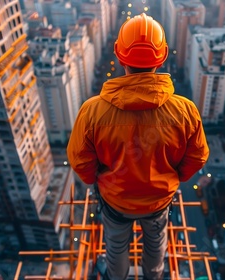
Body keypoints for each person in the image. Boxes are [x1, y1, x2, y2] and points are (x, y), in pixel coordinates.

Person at [67, 13, 209, 280]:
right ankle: (153, 276)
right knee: (155, 244)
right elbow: (198, 157)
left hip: (116, 200)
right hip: (158, 200)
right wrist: (173, 178)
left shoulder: (93, 111)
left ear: (120, 57)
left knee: (117, 246)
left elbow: (80, 162)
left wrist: (97, 181)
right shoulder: (185, 111)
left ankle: (116, 277)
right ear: (163, 56)